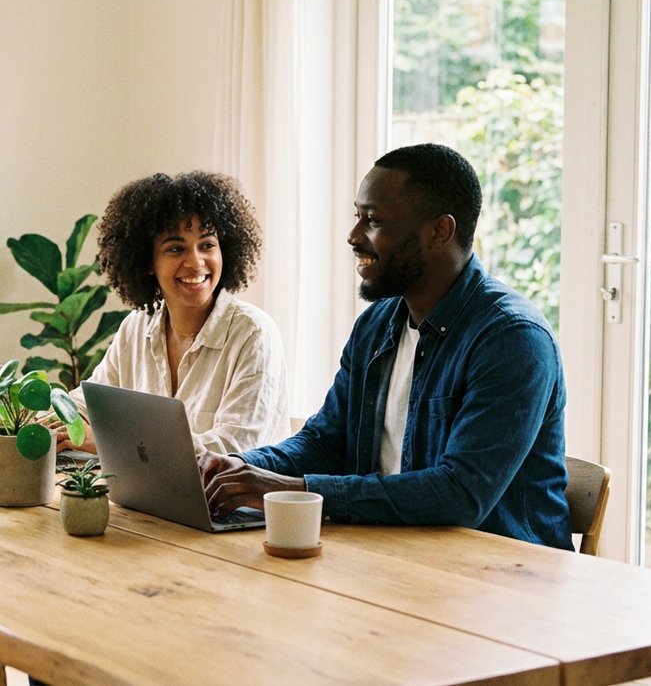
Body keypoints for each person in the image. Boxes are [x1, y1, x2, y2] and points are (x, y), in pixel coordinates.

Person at [201, 144, 572, 549]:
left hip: (500, 583)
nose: (354, 236)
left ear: (439, 231)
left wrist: (298, 488)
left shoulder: (512, 339)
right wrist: (241, 468)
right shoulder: (377, 325)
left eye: (373, 220)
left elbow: (461, 494)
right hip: (391, 555)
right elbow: (326, 442)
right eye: (357, 216)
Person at [58, 170, 291, 456]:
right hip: (145, 498)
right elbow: (86, 404)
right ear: (147, 262)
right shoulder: (136, 327)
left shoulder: (253, 333)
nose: (195, 262)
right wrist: (47, 421)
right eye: (176, 248)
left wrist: (111, 443)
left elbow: (234, 449)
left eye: (207, 245)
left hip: (230, 501)